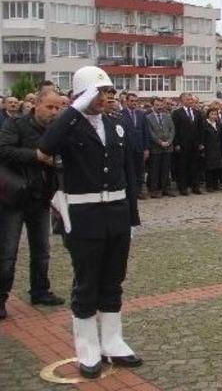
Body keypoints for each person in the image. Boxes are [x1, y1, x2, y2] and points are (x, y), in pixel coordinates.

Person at [38, 66, 142, 378]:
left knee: (113, 280)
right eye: (98, 92)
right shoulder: (68, 126)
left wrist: (132, 217)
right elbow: (45, 148)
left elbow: (129, 174)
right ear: (81, 95)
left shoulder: (117, 124)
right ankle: (87, 347)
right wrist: (74, 109)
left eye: (108, 92)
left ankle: (113, 340)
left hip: (117, 213)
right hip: (84, 217)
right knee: (86, 283)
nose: (105, 97)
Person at [0, 89, 66, 320]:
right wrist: (35, 156)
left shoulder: (56, 129)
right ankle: (1, 297)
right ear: (36, 105)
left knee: (42, 250)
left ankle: (40, 290)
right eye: (50, 107)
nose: (54, 112)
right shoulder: (15, 125)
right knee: (7, 253)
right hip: (14, 198)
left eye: (58, 108)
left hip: (41, 197)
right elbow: (4, 151)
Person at [171, 92, 204, 195]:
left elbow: (200, 129)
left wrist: (200, 142)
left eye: (191, 99)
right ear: (182, 101)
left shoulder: (197, 112)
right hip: (182, 144)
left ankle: (195, 186)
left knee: (195, 166)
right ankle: (183, 187)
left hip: (195, 144)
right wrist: (176, 143)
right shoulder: (177, 113)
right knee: (182, 166)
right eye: (188, 99)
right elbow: (174, 129)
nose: (190, 101)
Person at [144, 97, 176, 198]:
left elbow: (172, 130)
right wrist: (159, 142)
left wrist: (169, 141)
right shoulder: (148, 117)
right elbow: (150, 132)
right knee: (154, 169)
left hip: (168, 147)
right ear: (153, 105)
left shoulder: (167, 116)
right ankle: (154, 189)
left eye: (161, 105)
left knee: (166, 169)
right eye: (157, 105)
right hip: (155, 147)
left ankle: (165, 188)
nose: (159, 107)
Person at [121, 93, 149, 200]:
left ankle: (139, 191)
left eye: (136, 101)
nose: (134, 103)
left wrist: (146, 148)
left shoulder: (141, 114)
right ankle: (129, 191)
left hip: (139, 147)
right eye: (132, 101)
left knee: (139, 170)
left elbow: (145, 132)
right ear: (127, 101)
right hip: (127, 148)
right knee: (128, 170)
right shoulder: (121, 114)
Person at [202, 108, 222, 192]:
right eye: (212, 114)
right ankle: (209, 185)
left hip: (217, 148)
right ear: (208, 114)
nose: (214, 116)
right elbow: (203, 137)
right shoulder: (205, 124)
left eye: (216, 114)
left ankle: (216, 184)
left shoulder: (218, 124)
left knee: (217, 167)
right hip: (208, 148)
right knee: (209, 168)